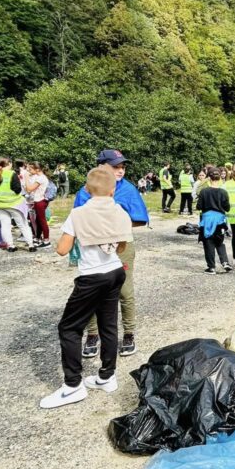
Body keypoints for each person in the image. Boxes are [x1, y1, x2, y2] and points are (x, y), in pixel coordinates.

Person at [40, 166, 132, 409]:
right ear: (113, 189)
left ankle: (72, 386)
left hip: (91, 276)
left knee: (69, 328)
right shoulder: (119, 210)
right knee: (108, 325)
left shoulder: (79, 213)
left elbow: (62, 249)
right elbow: (121, 246)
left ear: (87, 189)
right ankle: (106, 376)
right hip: (115, 271)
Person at [74, 149, 149, 359]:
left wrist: (113, 226)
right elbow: (77, 220)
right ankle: (92, 335)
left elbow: (141, 218)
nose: (121, 171)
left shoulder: (128, 189)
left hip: (121, 247)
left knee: (124, 291)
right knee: (92, 292)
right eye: (115, 166)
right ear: (101, 166)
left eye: (123, 166)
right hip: (92, 249)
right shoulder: (84, 191)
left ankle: (129, 334)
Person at [0, 157, 36, 253]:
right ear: (9, 163)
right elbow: (17, 189)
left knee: (5, 225)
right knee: (23, 224)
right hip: (14, 203)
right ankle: (31, 245)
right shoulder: (12, 174)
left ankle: (10, 245)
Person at [196, 167, 232, 273]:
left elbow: (199, 206)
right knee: (219, 242)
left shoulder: (204, 191)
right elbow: (227, 208)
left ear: (209, 178)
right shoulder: (223, 192)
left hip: (207, 220)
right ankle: (225, 262)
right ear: (219, 178)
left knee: (208, 243)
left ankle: (211, 267)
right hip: (220, 221)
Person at [24, 162, 51, 247]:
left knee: (42, 221)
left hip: (39, 201)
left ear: (37, 169)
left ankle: (46, 241)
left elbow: (29, 189)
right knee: (38, 221)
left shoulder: (41, 178)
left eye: (30, 169)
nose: (29, 171)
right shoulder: (39, 177)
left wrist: (26, 178)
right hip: (38, 201)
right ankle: (38, 237)